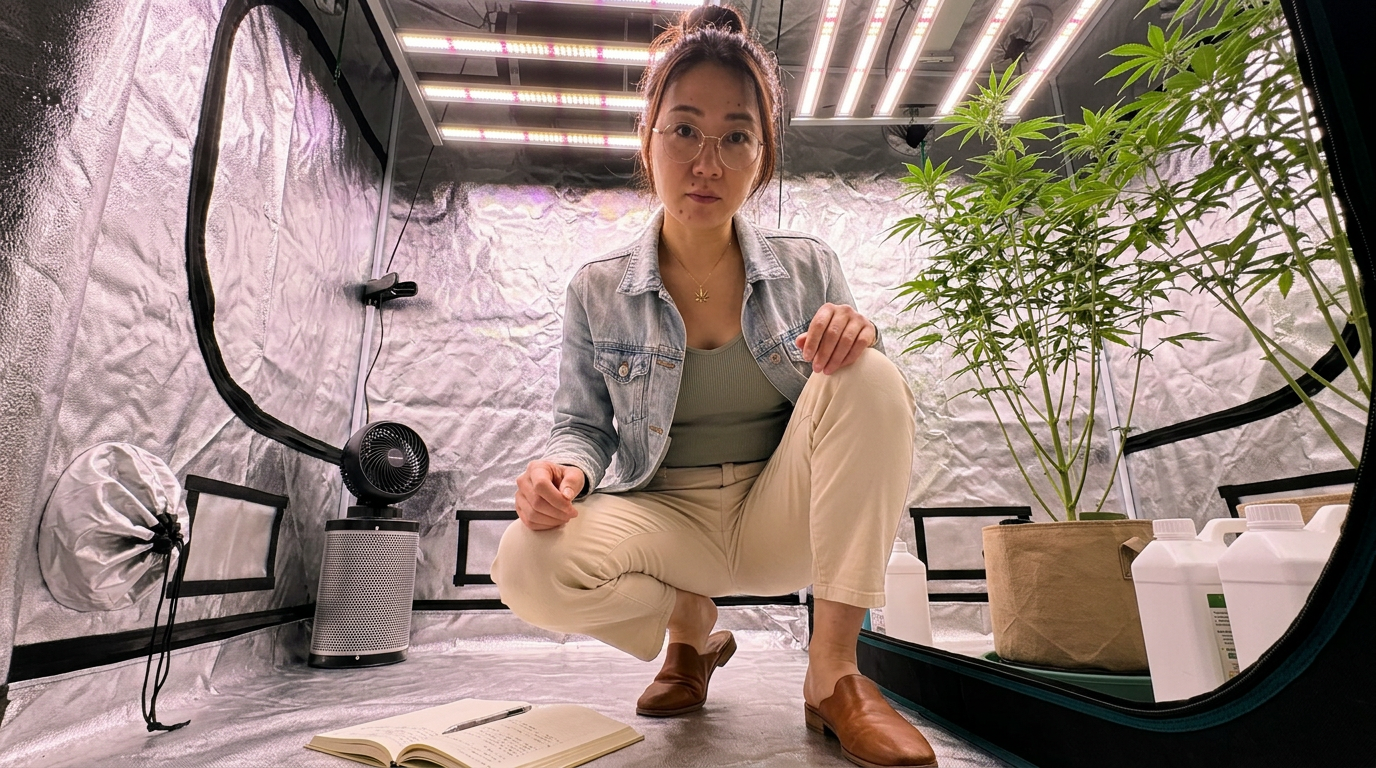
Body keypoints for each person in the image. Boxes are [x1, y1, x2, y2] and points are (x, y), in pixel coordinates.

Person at [490, 6, 936, 767]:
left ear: (761, 156)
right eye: (685, 130)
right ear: (649, 139)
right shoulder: (597, 289)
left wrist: (855, 336)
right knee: (526, 565)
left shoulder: (807, 266)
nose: (708, 162)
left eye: (737, 137)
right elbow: (583, 426)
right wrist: (564, 472)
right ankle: (688, 626)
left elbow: (864, 417)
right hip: (666, 524)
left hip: (780, 516)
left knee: (868, 370)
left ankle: (833, 676)